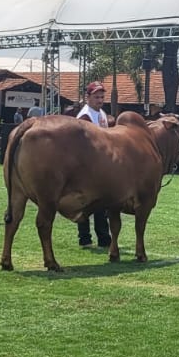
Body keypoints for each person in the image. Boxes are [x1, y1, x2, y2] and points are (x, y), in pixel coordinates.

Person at [76, 81, 112, 249]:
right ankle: (86, 238)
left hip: (99, 164)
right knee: (88, 203)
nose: (100, 100)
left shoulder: (101, 113)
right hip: (87, 165)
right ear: (88, 97)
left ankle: (102, 237)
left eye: (102, 97)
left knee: (100, 203)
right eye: (96, 97)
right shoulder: (85, 116)